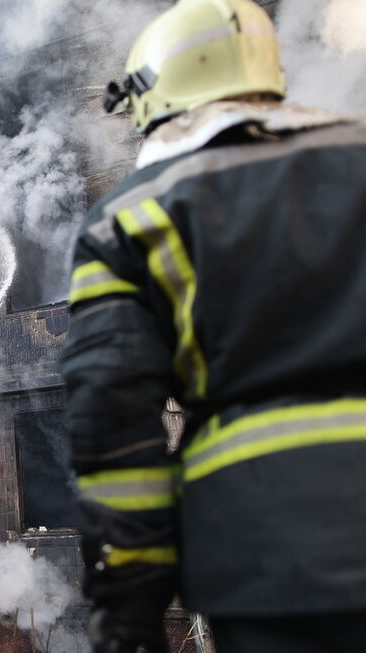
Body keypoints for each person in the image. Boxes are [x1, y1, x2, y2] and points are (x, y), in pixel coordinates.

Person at [62, 0, 366, 651]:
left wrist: (130, 606)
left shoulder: (130, 217)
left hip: (270, 560)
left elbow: (113, 427)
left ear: (151, 94)